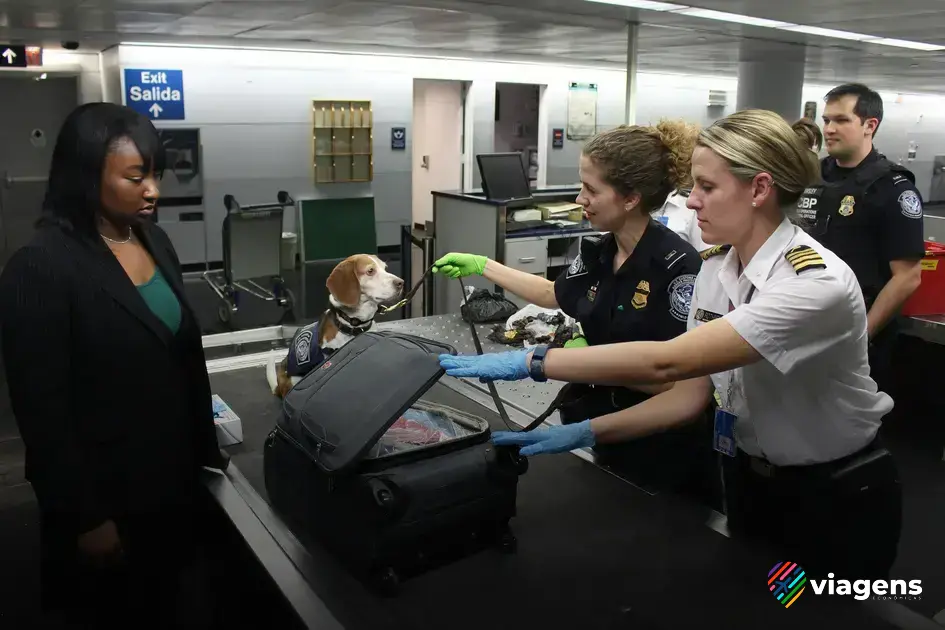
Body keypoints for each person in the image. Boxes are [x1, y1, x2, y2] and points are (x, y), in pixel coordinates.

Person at [438, 109, 902, 581]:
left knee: (828, 615)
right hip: (748, 482)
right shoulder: (716, 271)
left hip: (828, 494)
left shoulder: (812, 283)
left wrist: (534, 362)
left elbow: (666, 362)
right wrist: (587, 432)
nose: (690, 201)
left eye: (706, 186)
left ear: (760, 189)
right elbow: (689, 394)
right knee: (754, 606)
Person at [0, 103, 228, 628]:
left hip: (170, 489)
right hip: (108, 503)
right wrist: (85, 516)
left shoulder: (154, 239)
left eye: (156, 175)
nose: (153, 190)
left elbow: (179, 354)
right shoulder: (40, 268)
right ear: (84, 175)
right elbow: (43, 412)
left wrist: (205, 453)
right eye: (136, 176)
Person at [433, 121, 711, 494]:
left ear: (630, 199)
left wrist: (581, 360)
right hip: (599, 422)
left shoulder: (678, 268)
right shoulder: (602, 249)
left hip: (655, 446)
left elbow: (673, 382)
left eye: (591, 190)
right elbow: (555, 294)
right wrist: (486, 266)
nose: (580, 199)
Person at [798, 83, 924, 389]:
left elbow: (908, 276)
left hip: (856, 332)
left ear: (870, 125)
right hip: (805, 321)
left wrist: (862, 335)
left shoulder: (892, 188)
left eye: (841, 120)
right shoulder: (811, 176)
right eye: (827, 120)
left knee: (851, 426)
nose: (829, 129)